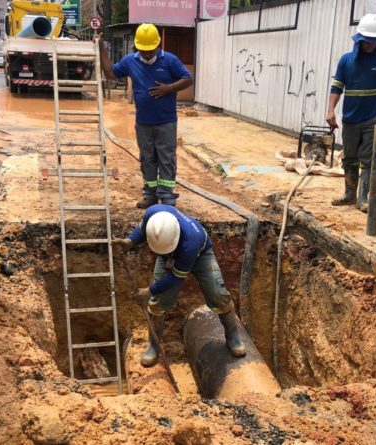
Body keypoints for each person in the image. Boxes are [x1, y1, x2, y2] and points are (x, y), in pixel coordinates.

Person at [113, 205, 247, 367]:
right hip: (167, 256)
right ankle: (154, 346)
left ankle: (233, 336)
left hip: (200, 255)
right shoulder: (154, 214)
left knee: (217, 294)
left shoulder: (190, 243)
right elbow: (143, 229)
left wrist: (149, 291)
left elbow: (176, 277)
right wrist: (130, 241)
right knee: (158, 302)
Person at [98, 24, 194, 208]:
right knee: (147, 158)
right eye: (144, 50)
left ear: (157, 45)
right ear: (137, 47)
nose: (147, 54)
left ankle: (167, 196)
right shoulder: (130, 61)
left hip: (166, 121)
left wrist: (169, 88)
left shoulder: (170, 60)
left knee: (166, 158)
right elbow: (110, 73)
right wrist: (101, 48)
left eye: (150, 50)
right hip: (143, 123)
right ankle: (150, 195)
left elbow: (188, 78)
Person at [327, 13, 376, 212]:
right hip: (351, 119)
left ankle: (363, 198)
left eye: (374, 42)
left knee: (368, 159)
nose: (370, 46)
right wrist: (330, 111)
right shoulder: (346, 61)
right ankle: (349, 194)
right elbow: (336, 87)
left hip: (373, 118)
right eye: (367, 42)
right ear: (359, 40)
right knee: (349, 157)